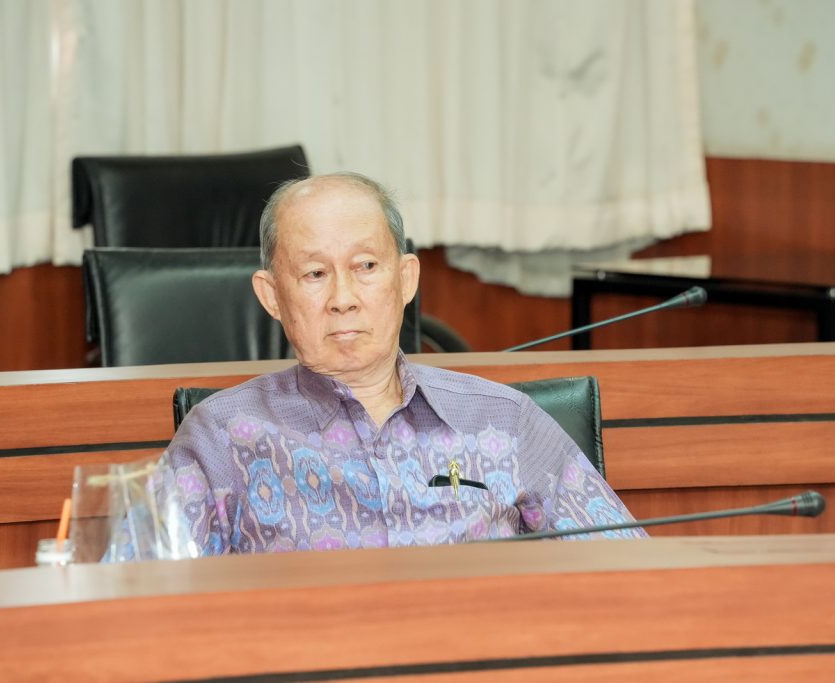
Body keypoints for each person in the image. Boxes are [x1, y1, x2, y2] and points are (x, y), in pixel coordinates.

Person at [161, 172, 644, 554]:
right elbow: (142, 592)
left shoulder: (505, 420)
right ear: (271, 296)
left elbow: (628, 567)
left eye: (366, 266)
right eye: (315, 273)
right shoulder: (221, 437)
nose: (343, 298)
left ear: (406, 278)